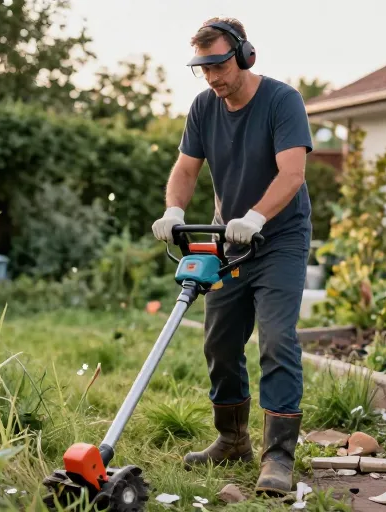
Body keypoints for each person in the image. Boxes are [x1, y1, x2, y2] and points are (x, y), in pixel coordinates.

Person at [150, 17, 313, 495]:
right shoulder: (204, 106)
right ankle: (232, 439)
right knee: (219, 343)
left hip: (279, 239)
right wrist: (174, 208)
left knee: (277, 339)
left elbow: (293, 175)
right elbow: (185, 167)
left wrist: (257, 217)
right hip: (229, 243)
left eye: (220, 64)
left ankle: (278, 457)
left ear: (244, 56)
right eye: (203, 69)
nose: (214, 77)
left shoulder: (282, 101)